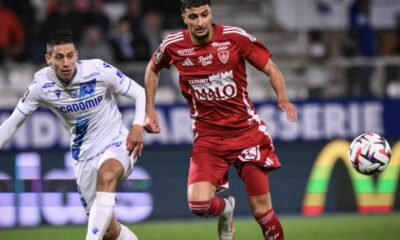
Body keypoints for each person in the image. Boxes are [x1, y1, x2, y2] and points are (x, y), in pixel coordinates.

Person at [143, 1, 297, 239]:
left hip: (246, 134)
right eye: (193, 17)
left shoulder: (234, 38)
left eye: (204, 15)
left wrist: (283, 98)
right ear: (184, 17)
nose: (201, 22)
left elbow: (271, 69)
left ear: (211, 13)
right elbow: (152, 69)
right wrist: (149, 110)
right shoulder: (173, 45)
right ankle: (227, 209)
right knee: (199, 205)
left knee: (262, 213)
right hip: (208, 139)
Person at [0, 30, 145, 240]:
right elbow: (11, 124)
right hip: (84, 156)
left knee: (107, 176)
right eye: (59, 57)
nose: (66, 62)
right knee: (109, 231)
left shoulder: (98, 70)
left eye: (70, 56)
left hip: (116, 140)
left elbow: (139, 92)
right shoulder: (41, 85)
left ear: (77, 55)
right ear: (48, 59)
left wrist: (137, 126)